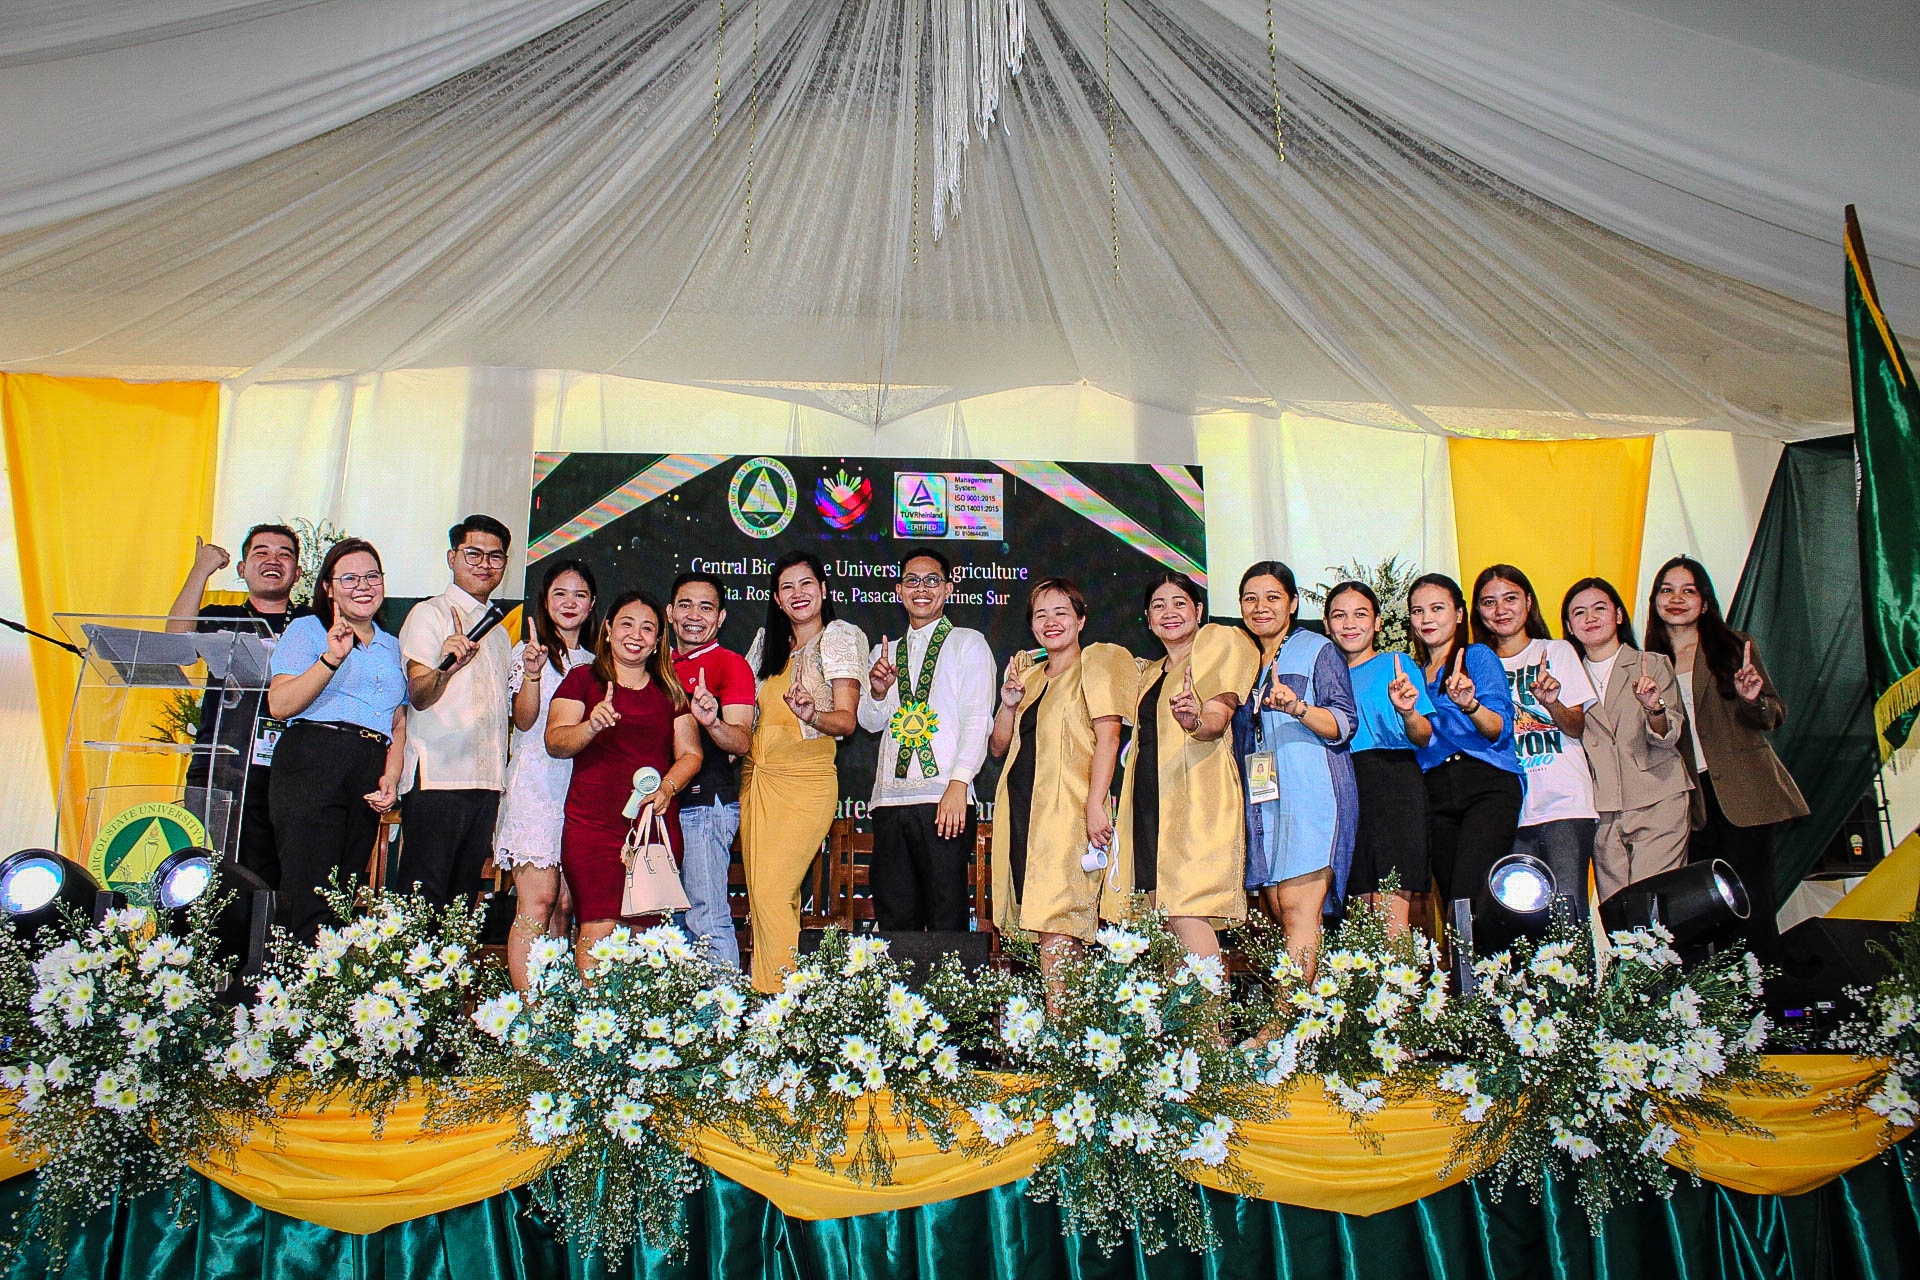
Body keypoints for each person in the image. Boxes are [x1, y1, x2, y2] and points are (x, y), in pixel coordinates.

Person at [1643, 555, 1807, 947]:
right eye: (1667, 590)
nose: (1676, 599)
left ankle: (1763, 981)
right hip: (1688, 801)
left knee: (1753, 900)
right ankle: (1725, 985)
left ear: (1705, 602)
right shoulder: (1646, 661)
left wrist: (1752, 698)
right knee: (1709, 908)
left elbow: (1773, 713)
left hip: (1744, 792)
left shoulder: (1734, 646)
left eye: (1688, 591)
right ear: (1655, 601)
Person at [987, 578, 1133, 1004]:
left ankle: (1065, 1027)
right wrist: (1009, 704)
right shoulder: (1028, 677)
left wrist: (1095, 805)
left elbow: (1109, 738)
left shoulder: (1095, 665)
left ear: (1081, 620)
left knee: (1061, 920)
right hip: (1024, 814)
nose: (1050, 622)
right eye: (1041, 615)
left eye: (1061, 612)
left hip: (1069, 813)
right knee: (1042, 922)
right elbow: (998, 747)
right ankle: (1063, 1022)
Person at [545, 591, 702, 971]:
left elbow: (691, 754)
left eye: (647, 628)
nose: (636, 634)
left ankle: (634, 1012)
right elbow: (555, 742)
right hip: (591, 827)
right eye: (627, 624)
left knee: (646, 935)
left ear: (658, 640)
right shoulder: (582, 679)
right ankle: (592, 1011)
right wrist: (590, 725)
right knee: (597, 928)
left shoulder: (670, 689)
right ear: (608, 629)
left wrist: (667, 788)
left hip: (652, 827)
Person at [1110, 571, 1258, 959]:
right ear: (1147, 618)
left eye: (1180, 603)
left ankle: (1208, 1002)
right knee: (1161, 917)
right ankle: (1180, 1001)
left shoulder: (1216, 648)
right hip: (1150, 803)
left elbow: (1216, 720)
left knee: (1186, 910)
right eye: (1158, 606)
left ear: (1199, 610)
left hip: (1196, 802)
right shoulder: (1148, 673)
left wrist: (1194, 719)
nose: (1169, 612)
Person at [265, 538, 407, 940]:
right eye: (349, 578)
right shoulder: (308, 629)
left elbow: (398, 723)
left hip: (368, 767)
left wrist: (391, 776)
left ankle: (328, 973)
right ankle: (295, 975)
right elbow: (280, 704)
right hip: (314, 757)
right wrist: (331, 659)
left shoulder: (393, 645)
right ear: (328, 587)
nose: (363, 586)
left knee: (343, 895)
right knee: (308, 889)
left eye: (372, 576)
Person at [741, 552, 865, 991]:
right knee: (767, 898)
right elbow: (744, 716)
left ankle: (775, 1001)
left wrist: (812, 714)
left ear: (823, 589)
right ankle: (781, 995)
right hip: (757, 779)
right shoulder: (766, 645)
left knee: (772, 892)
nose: (798, 594)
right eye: (787, 587)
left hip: (805, 781)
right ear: (777, 599)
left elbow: (847, 721)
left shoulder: (838, 637)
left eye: (806, 583)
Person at [857, 548, 997, 932]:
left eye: (932, 580)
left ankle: (947, 978)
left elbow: (977, 721)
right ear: (899, 590)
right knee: (894, 917)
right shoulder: (884, 653)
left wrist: (959, 784)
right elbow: (869, 722)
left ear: (948, 589)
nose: (922, 588)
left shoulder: (968, 643)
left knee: (945, 915)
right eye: (912, 581)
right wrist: (879, 691)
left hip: (944, 800)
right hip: (889, 801)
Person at [1230, 561, 1356, 979]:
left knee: (1299, 909)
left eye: (1272, 597)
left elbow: (1344, 723)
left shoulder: (1318, 649)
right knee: (1281, 910)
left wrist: (1298, 708)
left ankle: (1288, 1016)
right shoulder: (1245, 660)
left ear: (1294, 603)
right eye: (1250, 598)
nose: (1260, 607)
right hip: (1265, 799)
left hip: (1313, 794)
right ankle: (1304, 1008)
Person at [166, 524, 300, 887]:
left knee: (274, 884)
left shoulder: (311, 625)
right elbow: (175, 645)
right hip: (219, 766)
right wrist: (201, 569)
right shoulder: (221, 616)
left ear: (297, 573)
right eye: (261, 552)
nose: (273, 560)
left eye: (284, 554)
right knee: (208, 875)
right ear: (242, 568)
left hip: (287, 771)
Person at [396, 515, 515, 908]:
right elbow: (418, 694)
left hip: (487, 782)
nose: (485, 565)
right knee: (423, 898)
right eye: (473, 554)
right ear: (452, 558)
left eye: (495, 557)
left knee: (463, 902)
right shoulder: (429, 614)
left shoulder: (500, 632)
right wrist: (446, 668)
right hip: (439, 779)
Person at [1472, 565, 1600, 912]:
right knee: (1521, 919)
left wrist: (1551, 702)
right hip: (1509, 811)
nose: (1501, 610)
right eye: (1489, 602)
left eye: (1510, 599)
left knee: (1568, 913)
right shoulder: (1474, 666)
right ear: (1478, 611)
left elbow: (1576, 726)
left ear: (1528, 603)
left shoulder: (1556, 651)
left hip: (1565, 804)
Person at [495, 559, 596, 991]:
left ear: (592, 604)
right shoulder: (528, 653)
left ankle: (555, 1002)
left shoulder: (599, 663)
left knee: (565, 906)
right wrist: (534, 674)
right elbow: (523, 721)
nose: (569, 603)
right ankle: (529, 1011)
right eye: (560, 594)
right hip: (536, 786)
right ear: (545, 600)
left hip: (580, 791)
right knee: (537, 901)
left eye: (579, 595)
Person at [1562, 578, 1694, 901]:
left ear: (1619, 615)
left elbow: (1669, 735)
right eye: (1579, 612)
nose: (1590, 618)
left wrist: (1654, 707)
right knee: (1617, 911)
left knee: (1654, 905)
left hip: (1658, 798)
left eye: (1599, 608)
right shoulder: (1565, 676)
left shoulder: (1652, 664)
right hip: (1602, 809)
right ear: (1569, 626)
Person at [1407, 573, 1523, 913]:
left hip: (1484, 782)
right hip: (1434, 791)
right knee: (1452, 904)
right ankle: (1467, 952)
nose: (1426, 619)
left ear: (1459, 614)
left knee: (1469, 897)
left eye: (1437, 608)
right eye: (1418, 611)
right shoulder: (1411, 675)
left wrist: (1470, 705)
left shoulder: (1476, 656)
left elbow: (1498, 729)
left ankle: (1489, 952)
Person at [1323, 581, 1433, 936]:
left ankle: (1398, 975)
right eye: (1339, 616)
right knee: (1358, 917)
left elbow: (1424, 735)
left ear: (1378, 622)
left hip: (1394, 785)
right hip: (1344, 789)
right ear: (1326, 624)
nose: (1349, 624)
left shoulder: (1395, 665)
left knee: (1389, 911)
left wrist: (1408, 712)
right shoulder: (1325, 678)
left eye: (1360, 614)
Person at [669, 571, 757, 969]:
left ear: (720, 617)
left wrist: (713, 722)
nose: (694, 615)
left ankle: (724, 1005)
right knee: (665, 925)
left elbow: (741, 741)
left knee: (706, 916)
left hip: (704, 807)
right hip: (657, 809)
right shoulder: (653, 662)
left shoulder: (730, 665)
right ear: (669, 612)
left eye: (706, 608)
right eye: (685, 605)